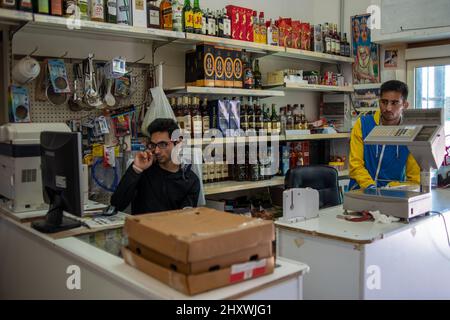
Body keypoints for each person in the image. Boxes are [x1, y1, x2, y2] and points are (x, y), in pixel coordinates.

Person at [111, 118, 200, 214]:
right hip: (142, 228)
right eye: (153, 145)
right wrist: (136, 170)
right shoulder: (144, 170)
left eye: (163, 144)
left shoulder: (191, 181)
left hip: (170, 228)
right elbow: (117, 205)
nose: (156, 151)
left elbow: (184, 219)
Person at [348, 80, 420, 190]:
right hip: (361, 192)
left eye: (394, 103)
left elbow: (414, 179)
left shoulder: (410, 132)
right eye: (384, 102)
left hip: (393, 195)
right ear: (379, 101)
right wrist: (370, 187)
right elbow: (355, 164)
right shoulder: (363, 124)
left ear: (405, 105)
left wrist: (390, 187)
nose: (388, 108)